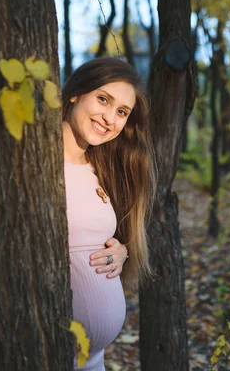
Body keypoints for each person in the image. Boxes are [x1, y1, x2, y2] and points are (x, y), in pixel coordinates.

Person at [62, 57, 155, 371]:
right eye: (103, 99)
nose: (109, 118)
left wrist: (122, 249)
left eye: (122, 112)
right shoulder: (39, 166)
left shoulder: (98, 168)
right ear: (75, 92)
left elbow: (89, 235)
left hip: (91, 361)